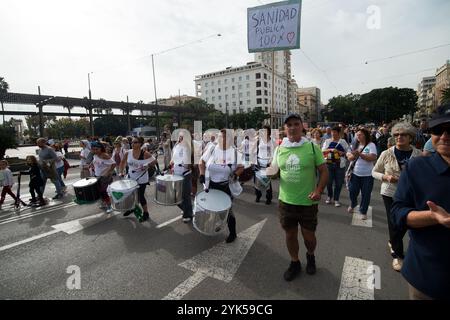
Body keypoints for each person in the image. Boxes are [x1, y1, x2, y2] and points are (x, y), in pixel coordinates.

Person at [391, 104, 450, 300]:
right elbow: (398, 213)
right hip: (427, 275)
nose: (444, 136)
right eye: (437, 130)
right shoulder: (417, 167)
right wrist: (433, 216)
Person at [268, 113, 328, 281]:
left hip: (308, 201)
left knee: (309, 236)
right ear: (284, 129)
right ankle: (295, 262)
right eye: (289, 125)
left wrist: (319, 190)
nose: (292, 127)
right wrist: (269, 173)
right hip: (286, 201)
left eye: (296, 124)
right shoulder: (279, 149)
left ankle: (310, 255)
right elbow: (274, 171)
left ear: (302, 127)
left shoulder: (311, 147)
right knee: (290, 235)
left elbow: (324, 171)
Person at [372, 122, 422, 271]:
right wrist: (386, 177)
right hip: (390, 192)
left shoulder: (418, 155)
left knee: (405, 223)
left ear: (410, 137)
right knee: (394, 223)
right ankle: (397, 256)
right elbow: (374, 172)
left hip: (410, 194)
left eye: (403, 135)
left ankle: (392, 241)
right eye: (396, 135)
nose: (399, 137)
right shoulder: (386, 153)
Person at [199, 129, 244, 243]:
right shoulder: (212, 149)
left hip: (226, 187)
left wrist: (235, 174)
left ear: (230, 139)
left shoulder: (235, 153)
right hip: (212, 185)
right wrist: (202, 174)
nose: (221, 139)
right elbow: (202, 162)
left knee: (228, 211)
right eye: (219, 136)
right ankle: (215, 225)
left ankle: (232, 233)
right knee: (212, 208)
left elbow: (241, 167)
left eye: (224, 137)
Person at [119, 137, 155, 222]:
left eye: (135, 142)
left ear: (140, 144)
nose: (133, 144)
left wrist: (147, 165)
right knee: (130, 195)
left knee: (140, 196)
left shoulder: (145, 153)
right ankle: (132, 208)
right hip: (131, 177)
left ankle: (146, 213)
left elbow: (154, 162)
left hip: (142, 178)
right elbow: (122, 162)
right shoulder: (128, 153)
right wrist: (121, 172)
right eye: (132, 142)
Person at [346, 129, 377, 219]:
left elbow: (373, 157)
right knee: (352, 191)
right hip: (355, 173)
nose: (358, 136)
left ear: (365, 135)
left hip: (368, 175)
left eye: (360, 134)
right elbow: (349, 157)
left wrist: (360, 154)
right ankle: (353, 203)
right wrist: (352, 155)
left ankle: (363, 211)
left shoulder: (371, 145)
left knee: (366, 194)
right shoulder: (354, 144)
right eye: (357, 134)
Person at [322, 126, 349, 207]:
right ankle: (330, 196)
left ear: (339, 133)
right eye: (332, 132)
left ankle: (336, 199)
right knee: (329, 182)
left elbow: (348, 152)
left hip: (340, 165)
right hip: (328, 164)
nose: (333, 133)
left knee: (339, 183)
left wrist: (342, 153)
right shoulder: (327, 141)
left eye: (335, 132)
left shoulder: (343, 141)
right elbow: (322, 151)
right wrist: (330, 150)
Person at [170, 132, 193, 223]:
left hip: (185, 174)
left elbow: (189, 161)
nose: (180, 138)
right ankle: (186, 208)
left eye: (182, 137)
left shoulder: (188, 147)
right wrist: (171, 162)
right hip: (176, 172)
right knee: (174, 195)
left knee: (185, 195)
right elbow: (173, 158)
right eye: (180, 136)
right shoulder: (176, 146)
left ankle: (188, 214)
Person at [90, 141, 116, 213]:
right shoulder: (95, 155)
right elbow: (95, 161)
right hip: (97, 175)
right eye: (93, 149)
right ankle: (104, 203)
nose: (95, 151)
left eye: (97, 149)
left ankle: (109, 206)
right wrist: (91, 164)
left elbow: (113, 164)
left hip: (105, 177)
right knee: (99, 191)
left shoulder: (105, 155)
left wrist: (108, 172)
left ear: (101, 148)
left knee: (104, 191)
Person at [254, 125, 276, 205]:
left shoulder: (272, 141)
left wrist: (271, 162)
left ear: (269, 132)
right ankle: (258, 195)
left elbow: (274, 153)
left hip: (267, 162)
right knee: (258, 181)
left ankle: (268, 197)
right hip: (259, 162)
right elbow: (254, 150)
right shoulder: (259, 140)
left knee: (267, 181)